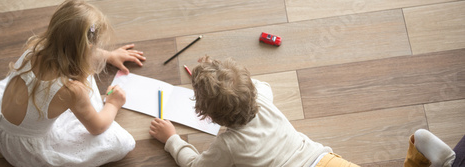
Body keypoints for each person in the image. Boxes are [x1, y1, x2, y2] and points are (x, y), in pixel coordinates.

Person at [149, 56, 460, 167]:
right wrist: (215, 74)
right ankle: (421, 159)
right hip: (328, 162)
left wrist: (172, 139)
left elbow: (197, 166)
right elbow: (250, 86)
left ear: (207, 116)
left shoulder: (228, 145)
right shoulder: (265, 98)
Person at [0, 0, 145, 166]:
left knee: (27, 86)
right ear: (88, 47)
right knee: (122, 142)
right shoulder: (72, 90)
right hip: (22, 149)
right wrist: (113, 104)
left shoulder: (35, 49)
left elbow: (73, 50)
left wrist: (109, 56)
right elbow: (97, 127)